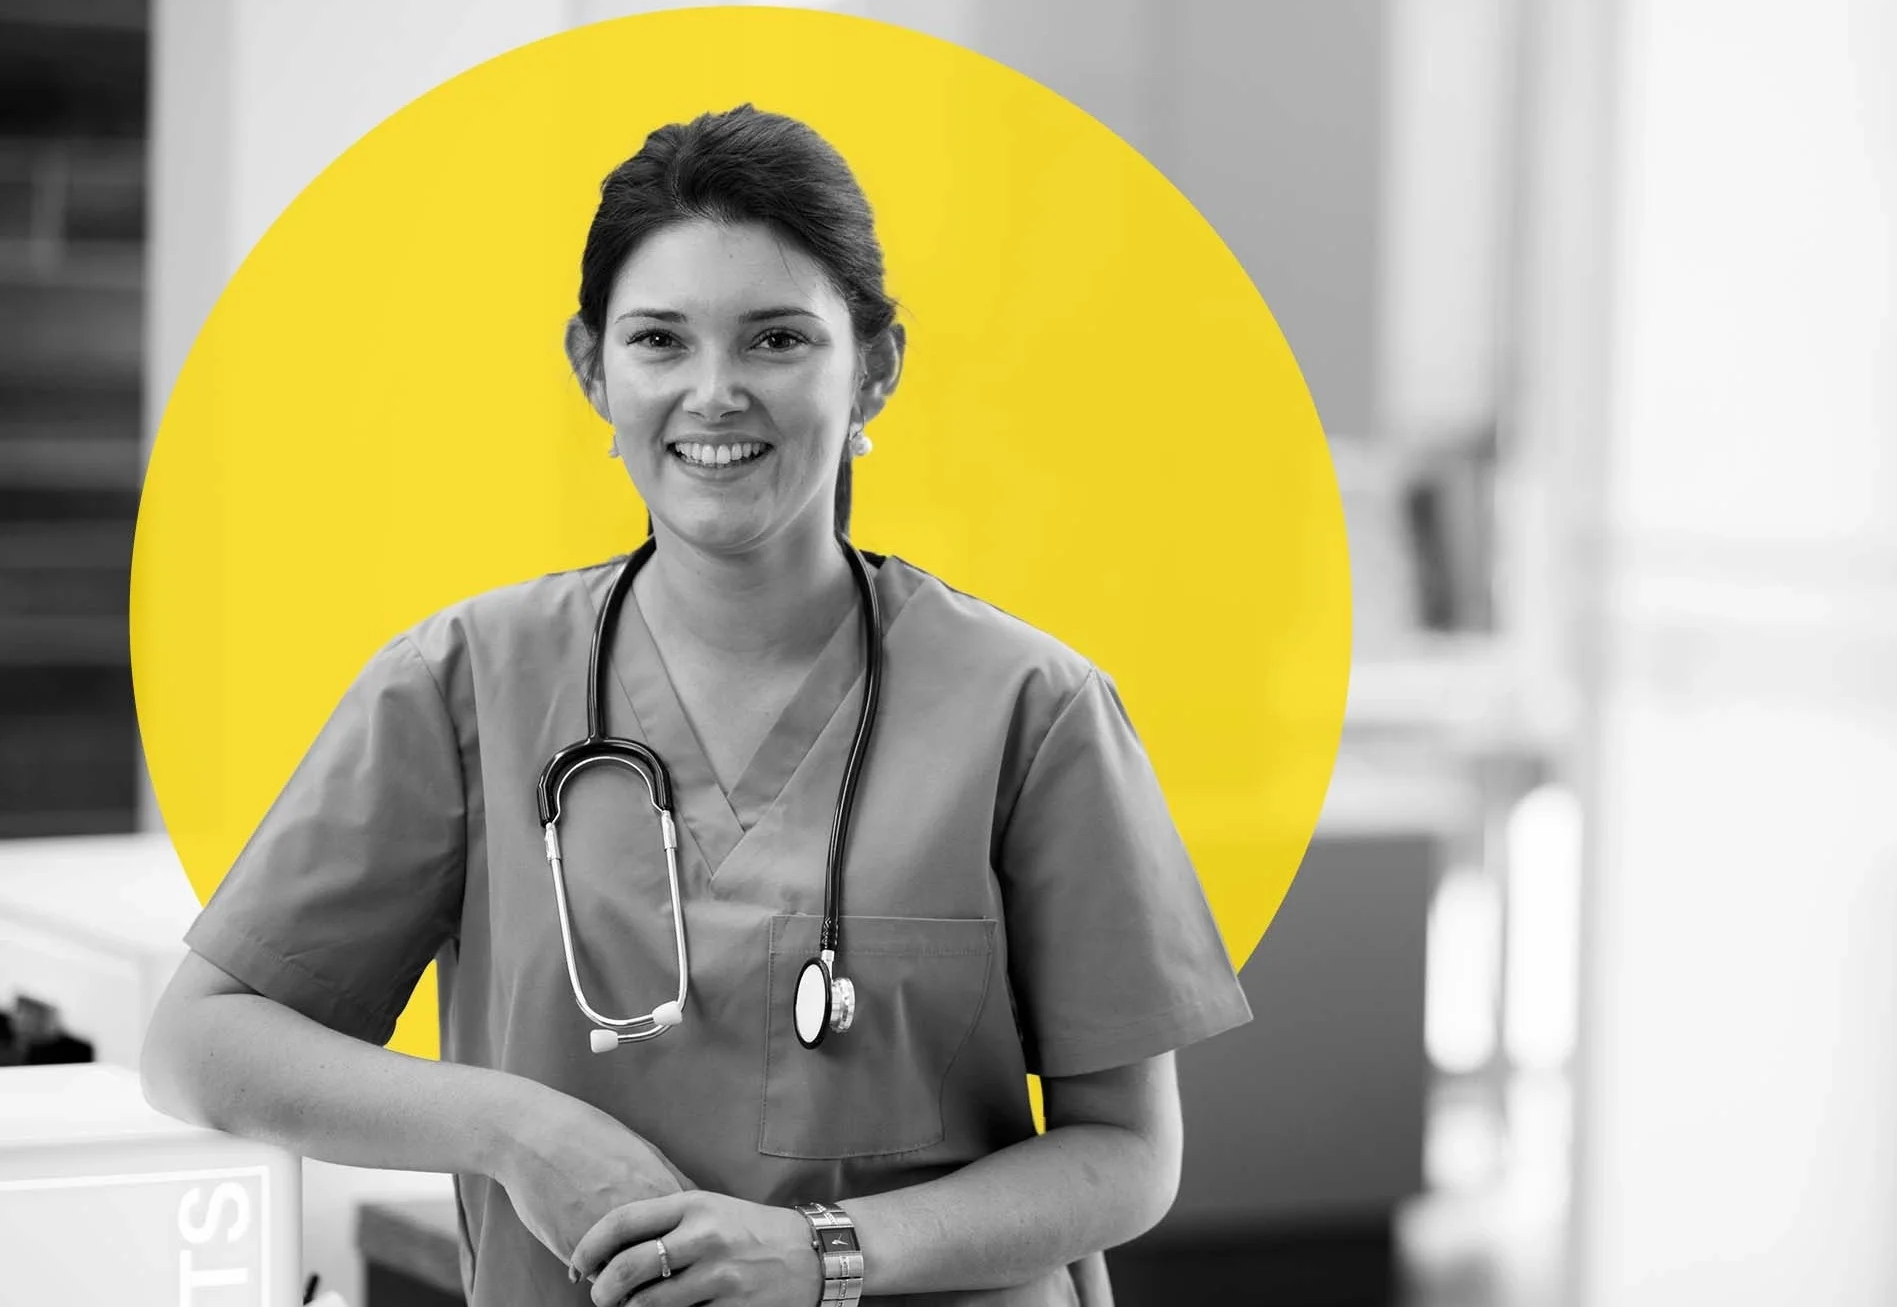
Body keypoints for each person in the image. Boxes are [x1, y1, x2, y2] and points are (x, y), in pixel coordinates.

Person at [140, 105, 1251, 1307]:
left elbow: (1129, 1156)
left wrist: (823, 1254)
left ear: (873, 367)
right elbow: (202, 1041)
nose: (714, 394)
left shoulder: (1033, 710)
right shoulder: (465, 683)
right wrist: (513, 1128)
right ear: (592, 368)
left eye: (777, 339)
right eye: (660, 341)